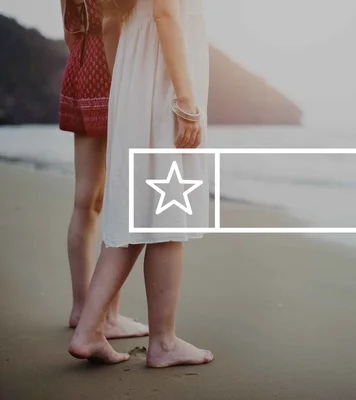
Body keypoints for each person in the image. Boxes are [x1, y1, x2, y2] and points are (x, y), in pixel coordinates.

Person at [69, 0, 214, 367]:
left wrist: (129, 88)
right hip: (162, 88)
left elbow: (109, 27)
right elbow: (166, 14)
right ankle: (163, 342)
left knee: (139, 211)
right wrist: (184, 102)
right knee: (166, 213)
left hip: (138, 83)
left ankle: (88, 331)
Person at [59, 0, 148, 339]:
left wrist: (85, 61)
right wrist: (117, 80)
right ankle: (108, 317)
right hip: (108, 72)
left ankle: (81, 307)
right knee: (116, 197)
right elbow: (112, 24)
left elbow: (70, 30)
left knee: (86, 197)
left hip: (78, 69)